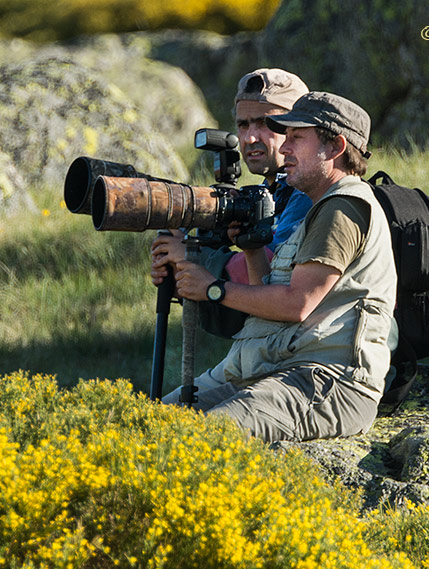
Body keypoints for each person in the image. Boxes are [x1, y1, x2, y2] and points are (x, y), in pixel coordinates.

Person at [161, 91, 398, 442]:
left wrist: (214, 288)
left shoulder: (343, 208)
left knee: (205, 438)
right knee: (149, 423)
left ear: (335, 148)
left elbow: (297, 304)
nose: (284, 149)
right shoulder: (319, 210)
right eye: (285, 138)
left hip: (328, 382)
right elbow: (271, 306)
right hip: (282, 370)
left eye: (297, 138)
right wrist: (253, 252)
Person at [150, 68, 313, 337]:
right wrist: (178, 272)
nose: (249, 138)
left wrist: (189, 256)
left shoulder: (309, 192)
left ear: (297, 128)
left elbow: (266, 275)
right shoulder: (267, 192)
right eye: (243, 124)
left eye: (264, 123)